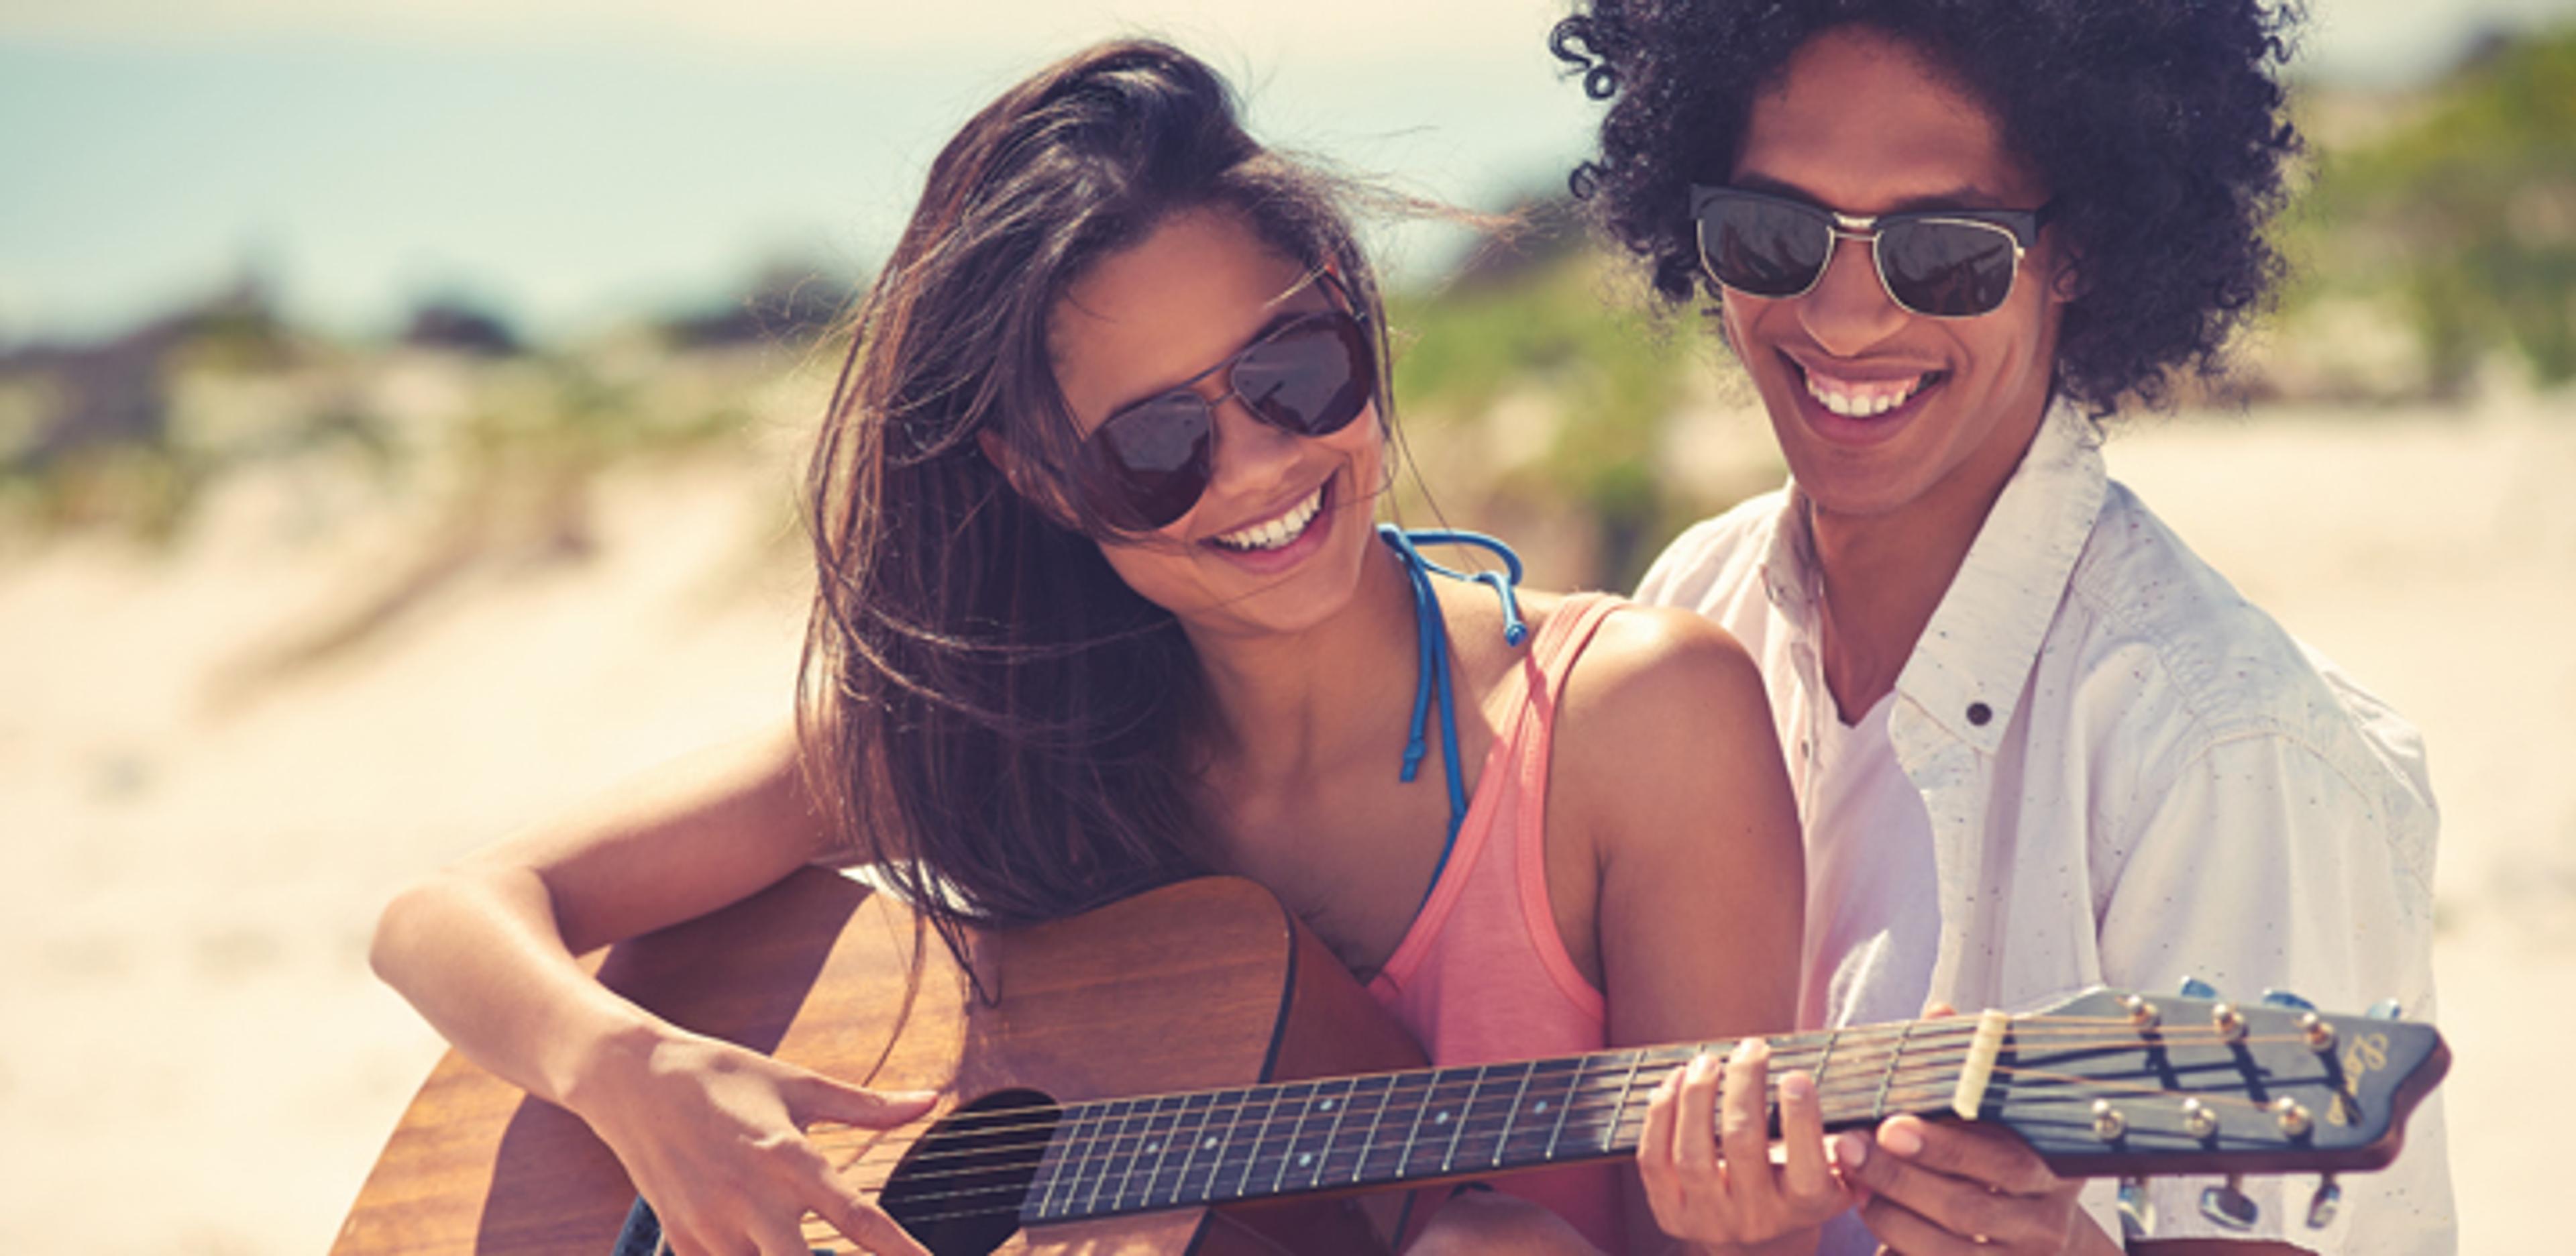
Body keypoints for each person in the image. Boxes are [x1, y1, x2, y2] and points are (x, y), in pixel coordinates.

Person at [372, 40, 1843, 1256]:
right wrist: (638, 1079)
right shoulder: (995, 732)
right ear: (1036, 476)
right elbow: (446, 914)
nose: (1258, 466)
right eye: (1153, 447)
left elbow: (1725, 1224)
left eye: (1293, 369)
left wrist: (1752, 1229)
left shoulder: (1635, 722)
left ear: (1356, 316)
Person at [1549, 3, 2453, 1254]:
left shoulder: (2229, 749)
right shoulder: (1692, 605)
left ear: (2076, 250)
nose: (1845, 319)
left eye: (1944, 253)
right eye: (1773, 235)